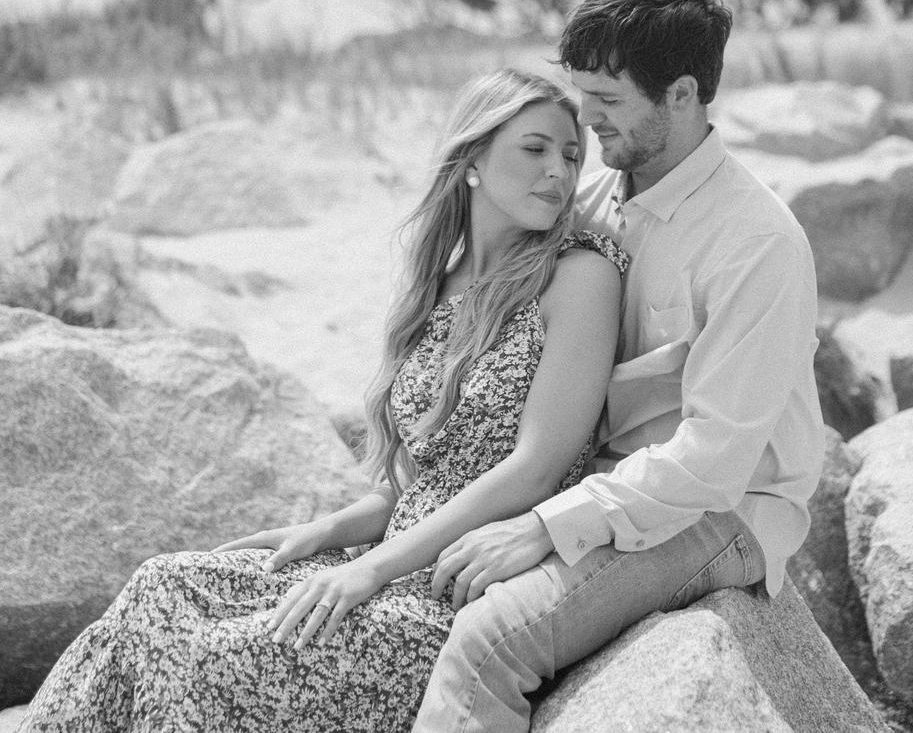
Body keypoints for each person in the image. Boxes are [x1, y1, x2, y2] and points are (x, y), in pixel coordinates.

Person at [19, 69, 627, 733]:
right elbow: (418, 483)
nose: (559, 172)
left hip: (458, 594)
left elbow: (535, 470)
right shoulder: (440, 284)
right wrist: (324, 532)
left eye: (572, 155)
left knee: (203, 660)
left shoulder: (579, 275)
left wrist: (369, 570)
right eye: (535, 149)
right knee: (158, 586)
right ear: (472, 160)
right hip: (385, 562)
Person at [413, 0, 825, 732]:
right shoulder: (593, 198)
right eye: (581, 94)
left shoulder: (757, 242)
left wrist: (544, 526)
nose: (585, 119)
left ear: (682, 94)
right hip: (596, 481)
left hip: (722, 511)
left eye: (607, 99)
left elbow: (713, 461)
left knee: (488, 639)